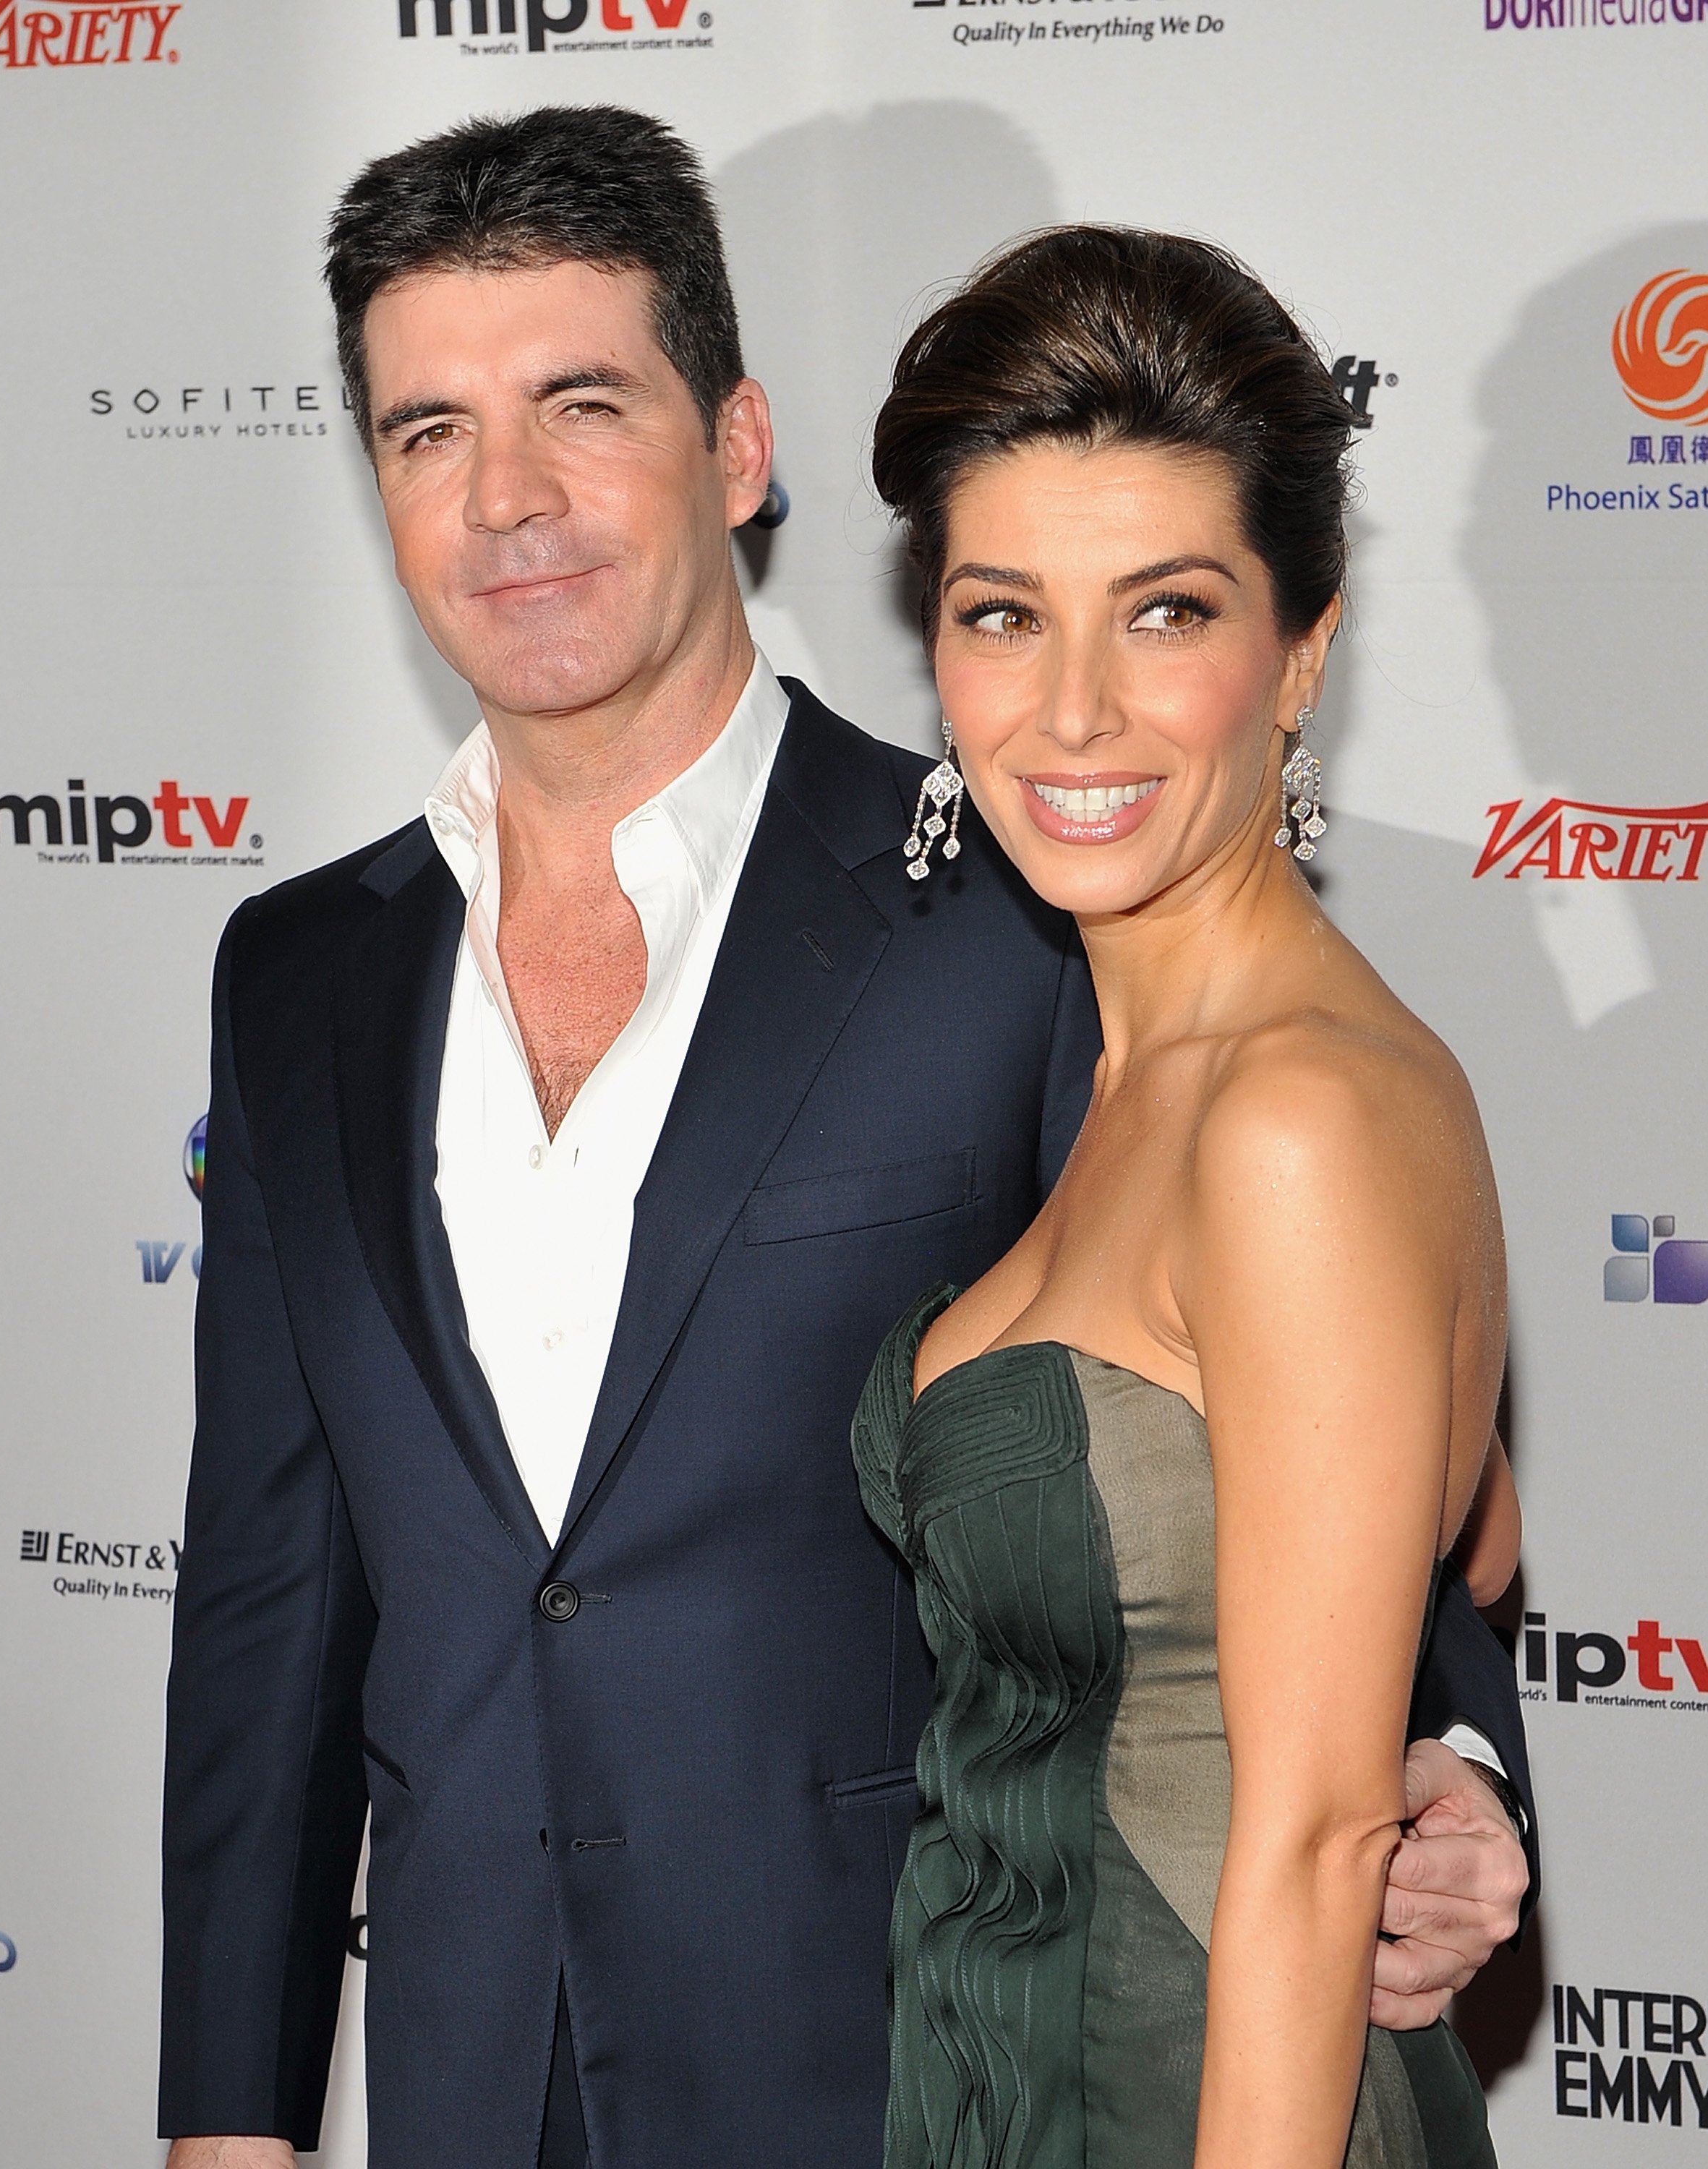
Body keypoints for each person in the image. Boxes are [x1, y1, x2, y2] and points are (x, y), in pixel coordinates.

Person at [158, 111, 1534, 2169]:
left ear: (735, 446)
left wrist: (1452, 1769)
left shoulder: (1030, 907)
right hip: (465, 2074)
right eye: (427, 430)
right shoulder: (293, 973)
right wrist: (229, 2119)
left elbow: (1270, 1422)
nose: (506, 498)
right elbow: (269, 1594)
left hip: (906, 2062)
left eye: (578, 403)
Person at [855, 225, 1523, 2169]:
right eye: (1000, 614)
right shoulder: (1160, 1072)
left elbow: (1316, 1846)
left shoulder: (1297, 1115)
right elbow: (1468, 1544)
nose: (1070, 713)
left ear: (1299, 650)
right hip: (1003, 2079)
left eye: (1162, 613)